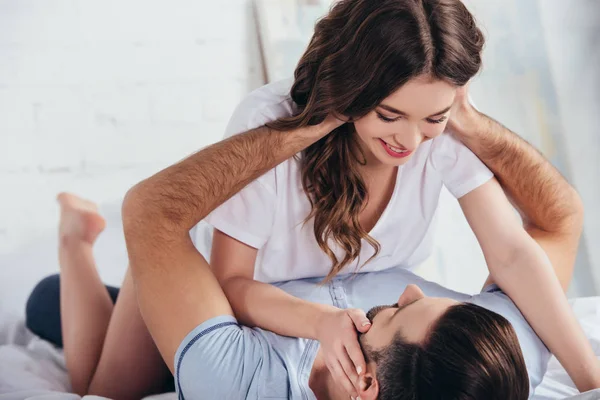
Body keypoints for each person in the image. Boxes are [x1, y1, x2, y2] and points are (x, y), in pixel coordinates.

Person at [25, 0, 600, 398]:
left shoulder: (435, 134)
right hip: (210, 283)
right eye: (388, 114)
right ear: (354, 91)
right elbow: (231, 287)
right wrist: (319, 323)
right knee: (98, 388)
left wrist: (590, 378)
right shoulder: (270, 124)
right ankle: (77, 243)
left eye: (434, 116)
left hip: (313, 305)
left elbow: (514, 253)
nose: (408, 138)